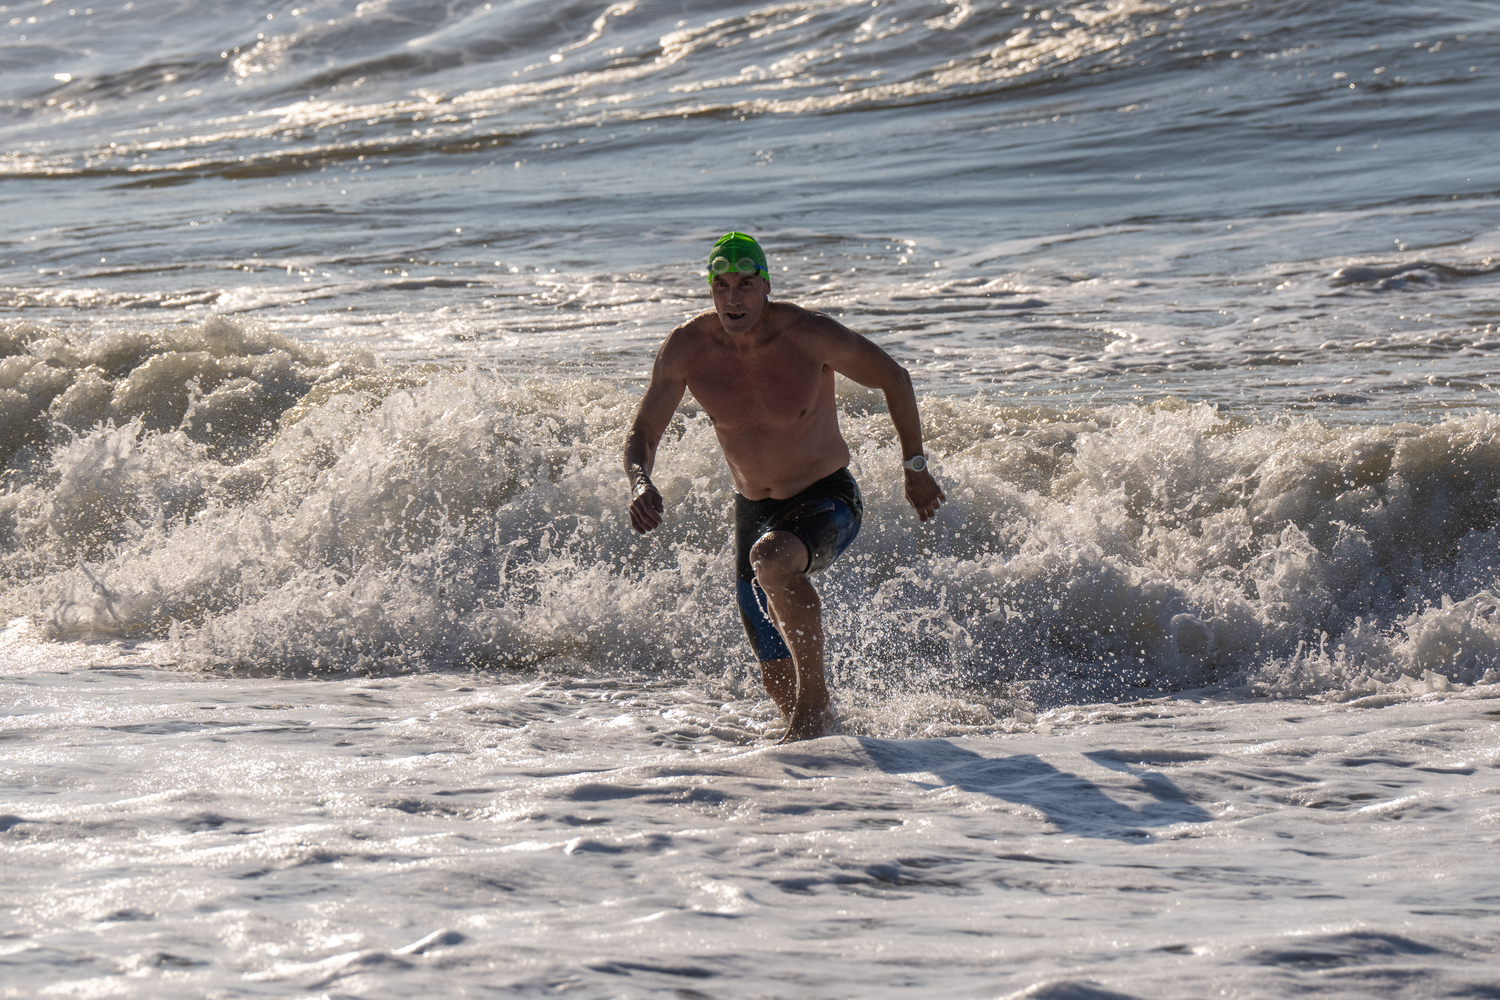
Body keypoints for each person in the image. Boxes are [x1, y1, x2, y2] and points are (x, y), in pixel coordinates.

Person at [623, 232, 945, 742]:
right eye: (721, 285)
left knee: (772, 561)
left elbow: (895, 377)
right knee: (779, 687)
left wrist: (916, 467)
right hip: (752, 508)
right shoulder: (688, 347)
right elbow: (643, 431)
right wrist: (641, 482)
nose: (733, 298)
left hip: (828, 497)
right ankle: (826, 758)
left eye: (745, 284)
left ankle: (817, 711)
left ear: (766, 285)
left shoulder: (809, 334)